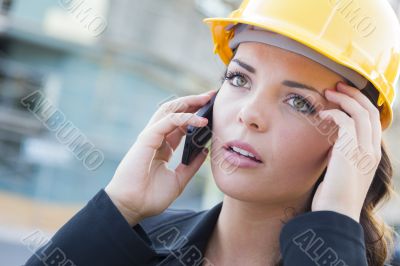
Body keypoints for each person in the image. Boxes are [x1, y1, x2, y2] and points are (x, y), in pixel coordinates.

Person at [25, 0, 400, 265]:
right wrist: (120, 207)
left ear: (350, 139)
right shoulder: (132, 241)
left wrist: (334, 224)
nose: (249, 113)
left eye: (299, 102)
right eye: (239, 78)